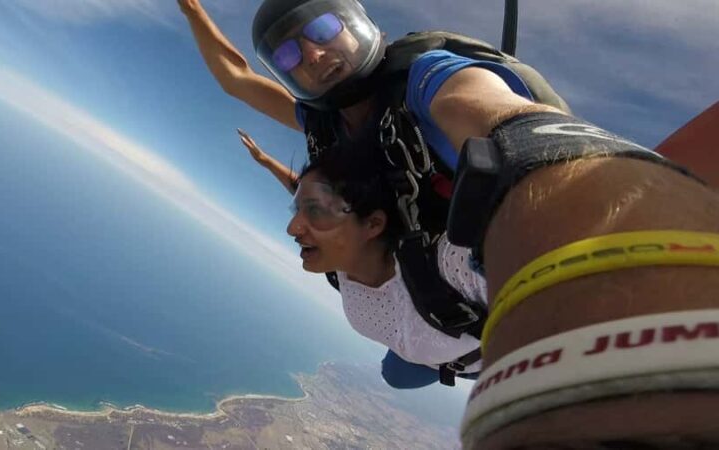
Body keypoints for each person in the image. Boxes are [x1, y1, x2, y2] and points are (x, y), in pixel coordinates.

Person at [178, 1, 719, 447]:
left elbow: (491, 113)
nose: (313, 53)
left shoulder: (428, 79)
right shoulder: (321, 124)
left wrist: (569, 178)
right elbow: (234, 76)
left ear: (361, 23)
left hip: (468, 300)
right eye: (291, 54)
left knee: (406, 367)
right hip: (415, 309)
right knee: (401, 366)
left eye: (321, 29)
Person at [285, 142, 486, 388]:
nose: (292, 228)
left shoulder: (452, 263)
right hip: (428, 357)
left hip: (483, 359)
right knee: (394, 376)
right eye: (298, 209)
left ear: (373, 224)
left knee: (396, 375)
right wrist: (265, 161)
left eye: (315, 211)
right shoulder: (344, 265)